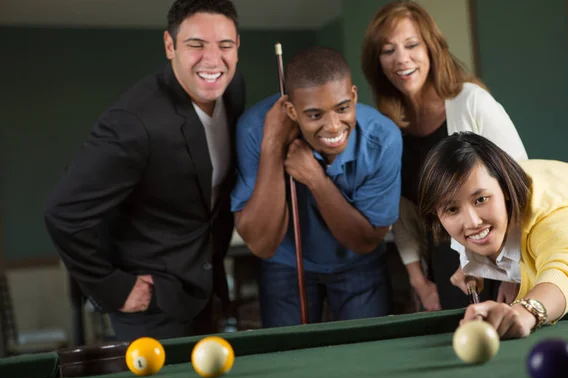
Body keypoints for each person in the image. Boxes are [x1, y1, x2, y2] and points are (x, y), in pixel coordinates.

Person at [44, 0, 245, 341]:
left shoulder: (232, 90)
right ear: (170, 45)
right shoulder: (132, 122)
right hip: (152, 306)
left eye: (225, 45)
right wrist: (115, 288)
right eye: (196, 45)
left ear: (236, 46)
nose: (213, 60)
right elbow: (63, 214)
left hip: (206, 291)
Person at [361, 0, 528, 311]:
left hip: (499, 251)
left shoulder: (472, 101)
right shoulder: (387, 129)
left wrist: (514, 268)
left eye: (412, 44)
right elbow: (402, 214)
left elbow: (521, 183)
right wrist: (420, 283)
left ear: (431, 49)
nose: (402, 59)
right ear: (377, 62)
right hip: (445, 265)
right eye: (388, 50)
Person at [231, 46, 403, 328]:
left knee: (367, 357)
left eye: (343, 108)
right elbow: (262, 244)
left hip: (358, 264)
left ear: (354, 96)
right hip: (286, 262)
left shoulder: (383, 138)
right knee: (289, 360)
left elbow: (366, 240)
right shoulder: (254, 129)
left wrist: (314, 178)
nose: (334, 126)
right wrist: (273, 144)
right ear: (291, 110)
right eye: (314, 115)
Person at [418, 132, 568, 339]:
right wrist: (492, 267)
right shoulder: (485, 193)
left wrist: (523, 313)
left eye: (480, 200)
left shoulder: (549, 211)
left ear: (504, 187)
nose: (472, 222)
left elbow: (566, 270)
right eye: (452, 210)